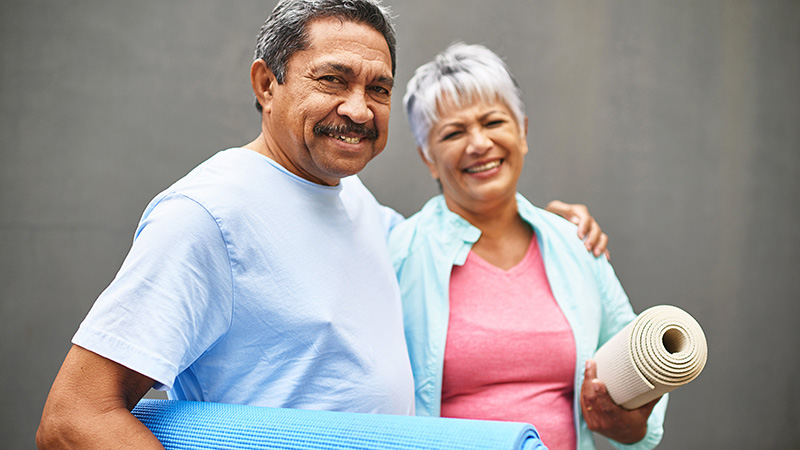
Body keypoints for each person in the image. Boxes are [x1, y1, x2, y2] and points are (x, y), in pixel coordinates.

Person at [36, 1, 607, 448]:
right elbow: (73, 417)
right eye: (333, 80)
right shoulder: (208, 213)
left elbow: (440, 237)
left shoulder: (351, 198)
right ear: (266, 84)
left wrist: (549, 227)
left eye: (377, 88)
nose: (359, 109)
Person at [390, 43, 668, 450]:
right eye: (453, 132)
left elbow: (635, 365)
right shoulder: (400, 253)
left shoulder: (574, 242)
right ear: (428, 157)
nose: (479, 143)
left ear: (522, 132)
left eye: (493, 122)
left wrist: (628, 423)